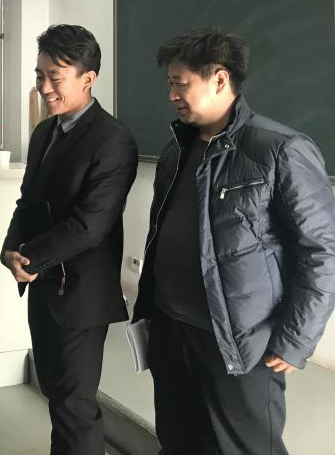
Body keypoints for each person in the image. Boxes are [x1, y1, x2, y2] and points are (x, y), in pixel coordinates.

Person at [132, 29, 335, 455]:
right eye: (170, 83)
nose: (171, 94)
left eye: (180, 83)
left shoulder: (279, 149)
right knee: (177, 441)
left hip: (239, 342)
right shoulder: (176, 150)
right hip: (171, 330)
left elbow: (322, 250)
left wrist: (297, 339)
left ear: (219, 79)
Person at [0, 25, 138, 455]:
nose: (44, 87)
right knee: (57, 396)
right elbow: (27, 201)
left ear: (88, 78)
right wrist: (11, 250)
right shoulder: (45, 132)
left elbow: (90, 226)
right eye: (39, 75)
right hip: (43, 284)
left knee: (74, 405)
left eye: (54, 77)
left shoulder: (113, 140)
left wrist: (30, 256)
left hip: (81, 295)